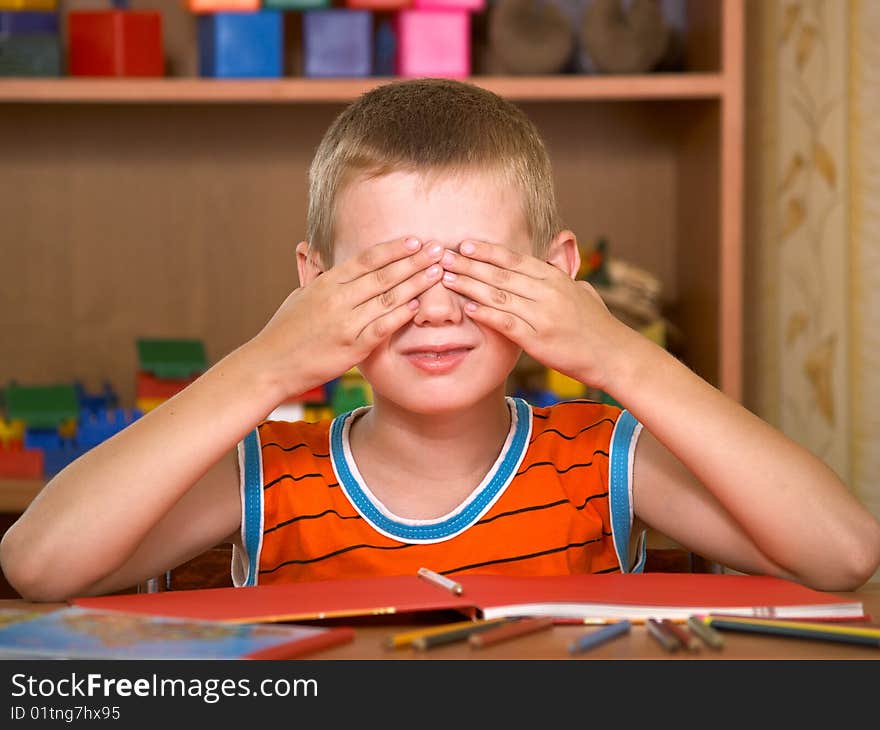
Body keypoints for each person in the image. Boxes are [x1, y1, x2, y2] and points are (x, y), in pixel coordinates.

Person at [2, 79, 878, 602]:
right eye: (392, 276)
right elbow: (38, 565)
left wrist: (612, 352)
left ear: (557, 273)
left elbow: (843, 555)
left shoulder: (604, 462)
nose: (435, 311)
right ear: (315, 284)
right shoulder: (273, 475)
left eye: (476, 272)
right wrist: (269, 362)